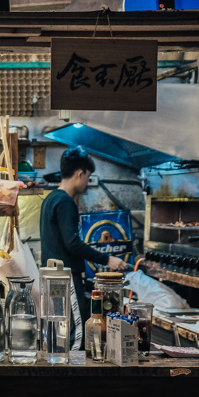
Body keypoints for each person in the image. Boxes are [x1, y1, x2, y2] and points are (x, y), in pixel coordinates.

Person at [39, 146, 129, 345]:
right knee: (75, 334)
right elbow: (73, 244)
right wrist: (107, 259)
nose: (87, 183)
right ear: (80, 173)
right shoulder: (65, 202)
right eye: (88, 177)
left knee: (59, 335)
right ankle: (73, 374)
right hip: (66, 280)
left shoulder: (50, 199)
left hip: (53, 278)